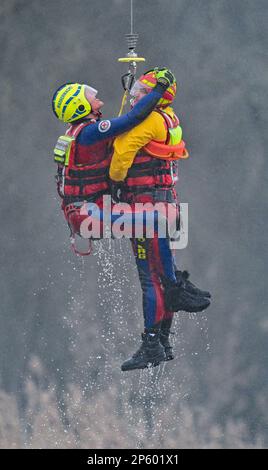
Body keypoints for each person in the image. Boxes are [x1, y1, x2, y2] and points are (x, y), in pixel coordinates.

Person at [109, 68, 211, 371]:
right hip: (166, 206)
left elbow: (121, 157)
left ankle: (151, 343)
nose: (133, 96)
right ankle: (164, 339)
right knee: (164, 276)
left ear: (154, 97)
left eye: (139, 92)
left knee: (150, 279)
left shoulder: (150, 120)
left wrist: (115, 180)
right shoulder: (169, 117)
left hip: (145, 208)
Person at [51, 71, 175, 244]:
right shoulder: (90, 132)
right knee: (159, 222)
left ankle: (160, 271)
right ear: (80, 106)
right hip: (90, 214)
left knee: (155, 221)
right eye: (88, 95)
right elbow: (134, 117)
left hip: (89, 211)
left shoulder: (82, 131)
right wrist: (159, 88)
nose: (94, 95)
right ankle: (166, 272)